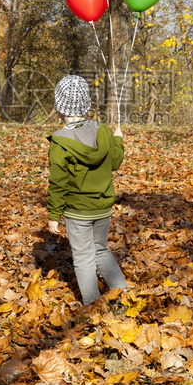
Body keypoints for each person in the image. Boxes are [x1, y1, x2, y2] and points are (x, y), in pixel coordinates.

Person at [47, 75, 128, 305]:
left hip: (78, 212)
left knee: (83, 257)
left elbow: (58, 183)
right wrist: (118, 141)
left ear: (59, 107)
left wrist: (54, 214)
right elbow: (114, 162)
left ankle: (93, 304)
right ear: (86, 105)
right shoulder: (103, 131)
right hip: (102, 209)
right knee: (100, 250)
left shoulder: (60, 141)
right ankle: (123, 294)